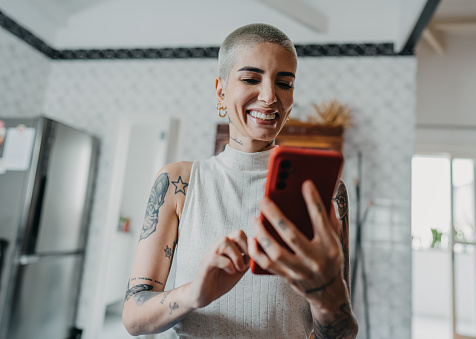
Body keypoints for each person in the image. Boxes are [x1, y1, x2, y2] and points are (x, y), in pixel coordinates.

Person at [122, 23, 358, 339]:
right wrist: (194, 294)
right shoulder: (179, 182)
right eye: (250, 78)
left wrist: (327, 294)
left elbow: (341, 332)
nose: (269, 96)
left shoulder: (324, 191)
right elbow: (134, 317)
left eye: (284, 83)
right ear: (221, 90)